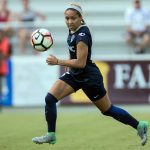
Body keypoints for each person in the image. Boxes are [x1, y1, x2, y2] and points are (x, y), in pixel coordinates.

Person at [32, 4, 149, 146]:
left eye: (73, 18)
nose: (69, 21)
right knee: (50, 99)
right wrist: (68, 68)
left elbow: (81, 63)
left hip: (89, 78)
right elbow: (73, 53)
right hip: (75, 75)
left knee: (107, 110)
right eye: (67, 18)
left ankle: (139, 125)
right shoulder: (72, 31)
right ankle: (51, 135)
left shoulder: (82, 36)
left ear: (81, 18)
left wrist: (58, 61)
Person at [0, 29, 12, 111]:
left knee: (1, 88)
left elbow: (9, 54)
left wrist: (3, 57)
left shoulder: (6, 43)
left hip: (2, 69)